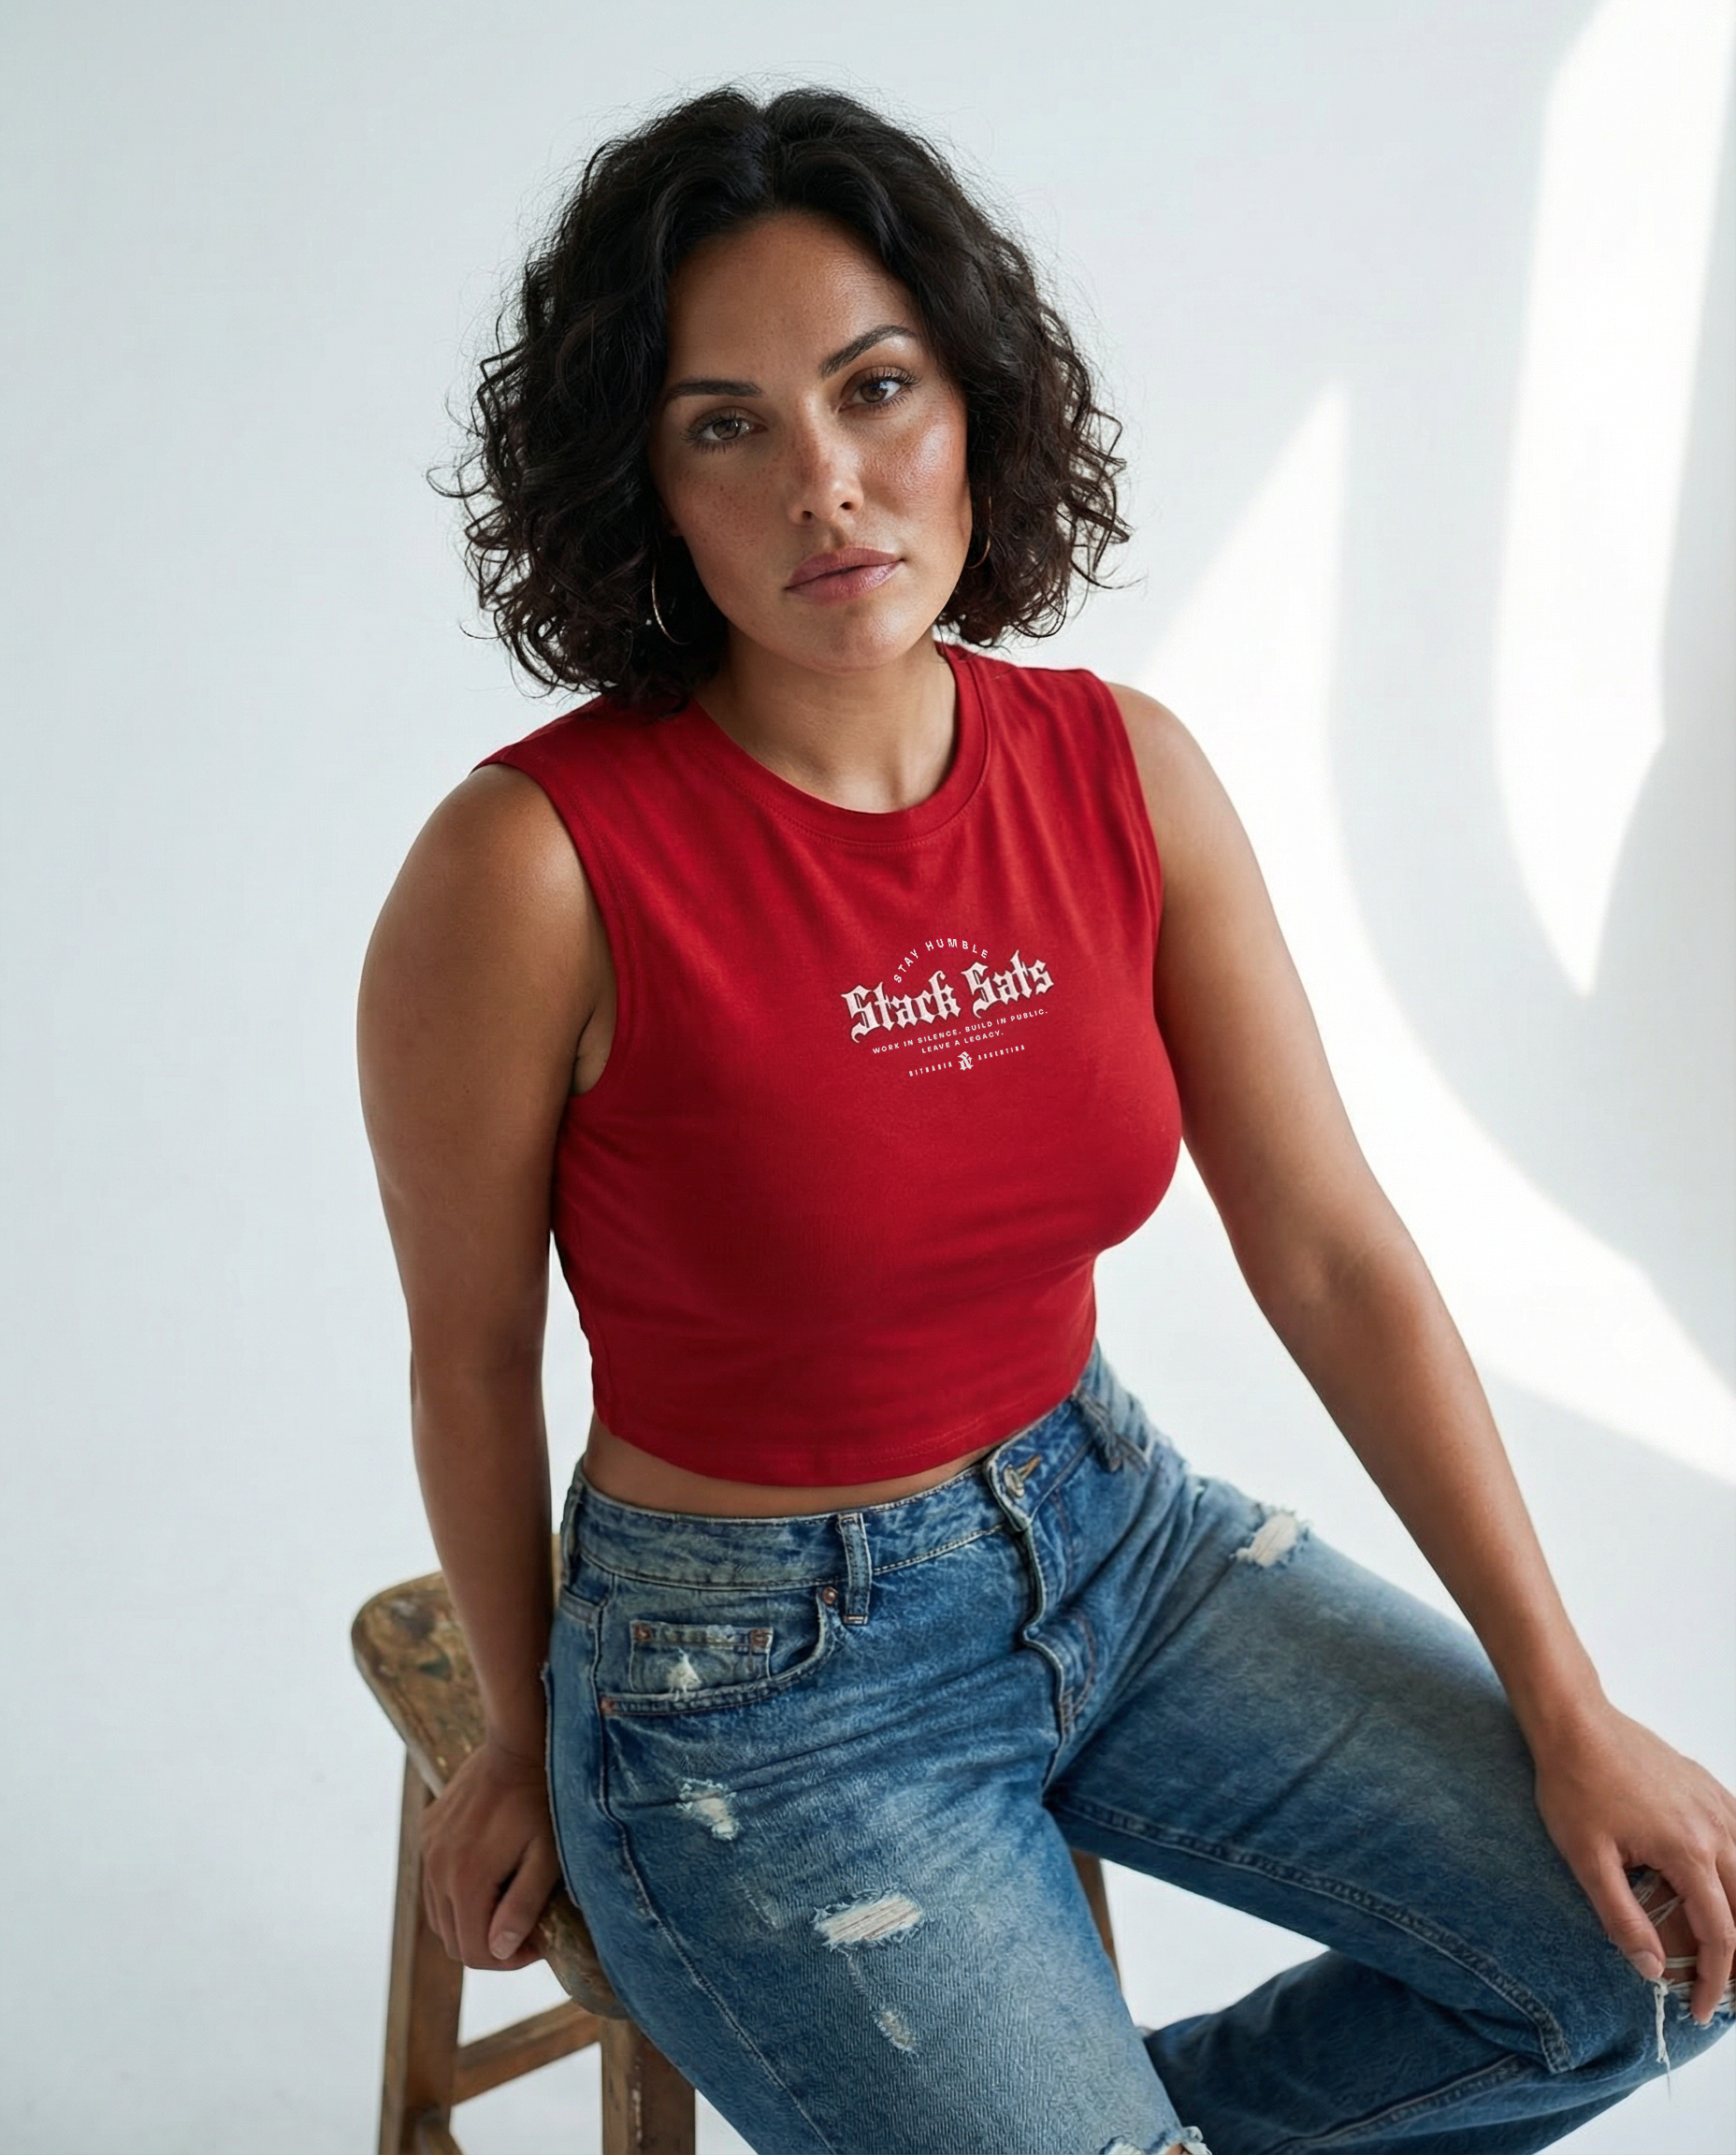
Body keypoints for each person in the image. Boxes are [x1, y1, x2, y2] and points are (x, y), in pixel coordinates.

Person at [355, 83, 1733, 2155]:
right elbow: (471, 1357)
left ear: (973, 402)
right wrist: (533, 1730)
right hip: (748, 1686)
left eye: (874, 388)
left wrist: (1564, 1696)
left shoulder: (1121, 769)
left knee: (1663, 1950)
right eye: (726, 425)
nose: (827, 484)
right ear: (643, 484)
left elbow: (1330, 1252)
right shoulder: (530, 868)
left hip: (1112, 1537)